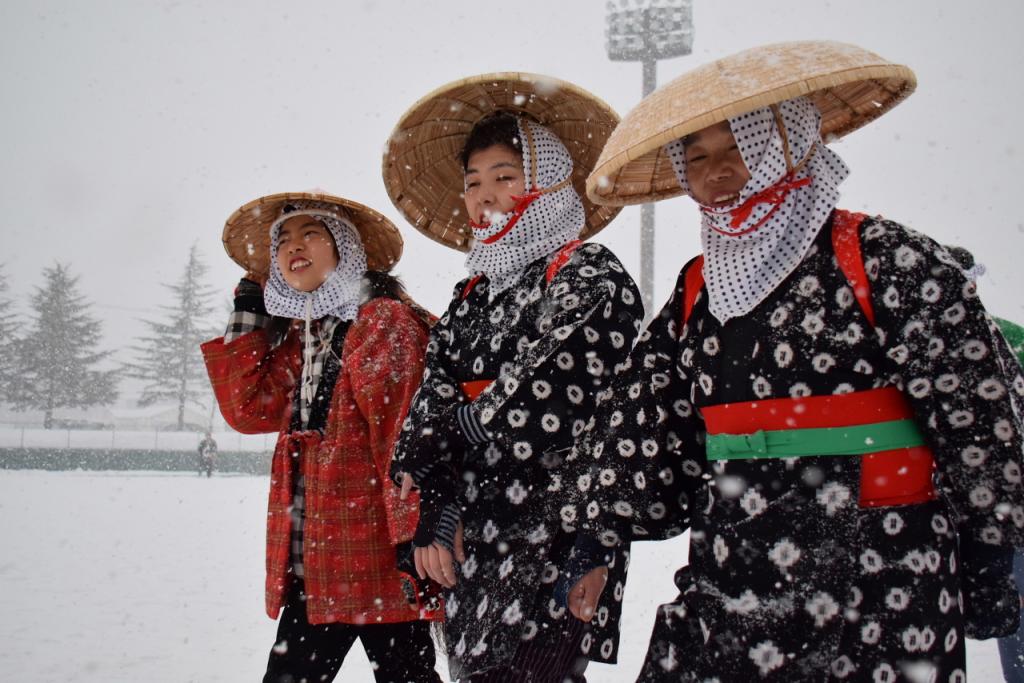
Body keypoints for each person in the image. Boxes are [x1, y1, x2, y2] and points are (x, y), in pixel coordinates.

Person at [576, 41, 1024, 681]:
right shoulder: (697, 290)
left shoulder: (883, 256)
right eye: (696, 158)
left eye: (738, 147)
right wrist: (599, 531)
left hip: (881, 571)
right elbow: (641, 421)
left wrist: (988, 544)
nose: (716, 171)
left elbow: (975, 407)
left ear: (787, 141)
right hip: (732, 575)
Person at [383, 74, 643, 681]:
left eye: (505, 176)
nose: (484, 196)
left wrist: (595, 545)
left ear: (547, 181)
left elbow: (549, 400)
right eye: (473, 183)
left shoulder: (588, 273)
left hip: (562, 527)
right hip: (474, 536)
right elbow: (427, 406)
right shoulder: (470, 293)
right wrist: (438, 508)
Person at [201, 192, 441, 683]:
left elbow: (403, 438)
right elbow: (247, 410)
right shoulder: (304, 335)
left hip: (379, 562)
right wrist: (250, 311)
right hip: (318, 564)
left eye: (311, 232)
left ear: (346, 248)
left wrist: (413, 534)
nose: (293, 246)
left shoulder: (381, 319)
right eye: (282, 239)